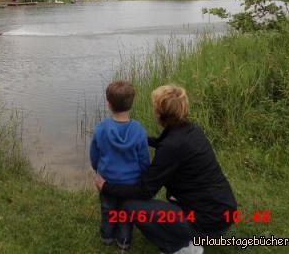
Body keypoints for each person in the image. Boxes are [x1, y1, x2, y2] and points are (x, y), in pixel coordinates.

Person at [94, 85, 237, 254]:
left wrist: (106, 187)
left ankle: (182, 246)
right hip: (222, 212)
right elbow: (164, 143)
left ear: (161, 114)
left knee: (130, 205)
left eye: (156, 108)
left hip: (208, 223)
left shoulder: (172, 147)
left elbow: (145, 190)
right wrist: (137, 138)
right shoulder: (190, 130)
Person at [90, 80, 150, 250]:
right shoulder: (138, 129)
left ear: (108, 104)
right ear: (131, 104)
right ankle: (124, 240)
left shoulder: (101, 128)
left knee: (108, 210)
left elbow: (94, 153)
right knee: (125, 214)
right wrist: (143, 175)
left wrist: (97, 169)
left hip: (106, 181)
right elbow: (144, 159)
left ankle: (107, 236)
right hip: (131, 184)